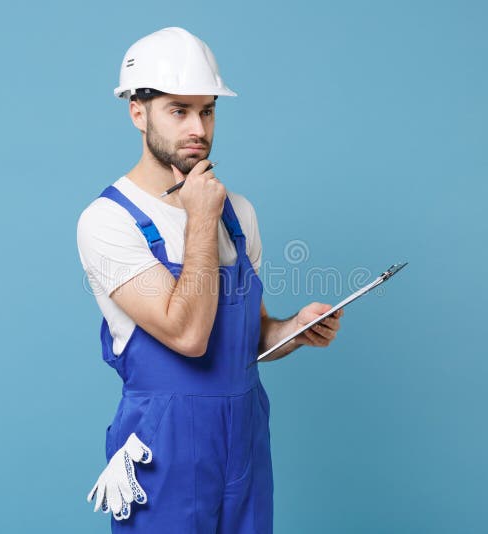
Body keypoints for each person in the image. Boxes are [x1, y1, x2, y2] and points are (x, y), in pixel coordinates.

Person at [76, 26, 344, 533]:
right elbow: (188, 335)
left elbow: (249, 337)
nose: (197, 126)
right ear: (138, 111)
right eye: (179, 110)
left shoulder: (237, 212)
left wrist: (294, 331)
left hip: (243, 439)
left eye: (208, 110)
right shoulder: (107, 221)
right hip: (164, 452)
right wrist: (200, 219)